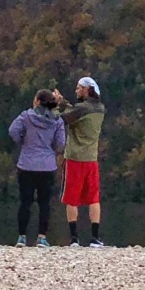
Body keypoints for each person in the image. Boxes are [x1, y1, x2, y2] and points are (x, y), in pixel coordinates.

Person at [8, 89, 66, 247]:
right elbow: (61, 143)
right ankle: (42, 237)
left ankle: (22, 237)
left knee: (25, 202)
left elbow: (13, 131)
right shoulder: (57, 121)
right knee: (44, 203)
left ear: (38, 102)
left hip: (26, 163)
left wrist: (23, 141)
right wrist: (50, 147)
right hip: (47, 165)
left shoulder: (26, 117)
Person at [57, 76, 106, 246]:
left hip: (74, 159)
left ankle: (74, 238)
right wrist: (64, 102)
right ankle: (95, 238)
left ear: (86, 90)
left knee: (71, 199)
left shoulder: (81, 109)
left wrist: (55, 104)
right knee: (94, 198)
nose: (76, 90)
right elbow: (75, 111)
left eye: (79, 88)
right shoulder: (100, 109)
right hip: (91, 159)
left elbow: (63, 118)